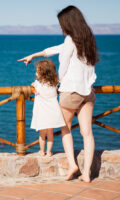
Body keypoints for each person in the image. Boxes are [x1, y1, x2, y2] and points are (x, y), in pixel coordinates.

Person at [18, 5, 99, 182]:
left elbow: (62, 65)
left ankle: (73, 165)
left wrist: (58, 81)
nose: (60, 28)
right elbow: (56, 49)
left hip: (71, 91)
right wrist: (34, 55)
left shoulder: (71, 39)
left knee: (65, 128)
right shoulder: (87, 38)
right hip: (88, 92)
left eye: (61, 24)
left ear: (68, 23)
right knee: (88, 133)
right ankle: (87, 174)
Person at [31, 60, 65, 157]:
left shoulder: (38, 85)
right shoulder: (54, 85)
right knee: (50, 133)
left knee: (42, 134)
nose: (35, 73)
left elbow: (34, 86)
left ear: (43, 73)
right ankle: (49, 152)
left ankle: (42, 151)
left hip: (42, 113)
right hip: (52, 112)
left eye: (37, 71)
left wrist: (34, 85)